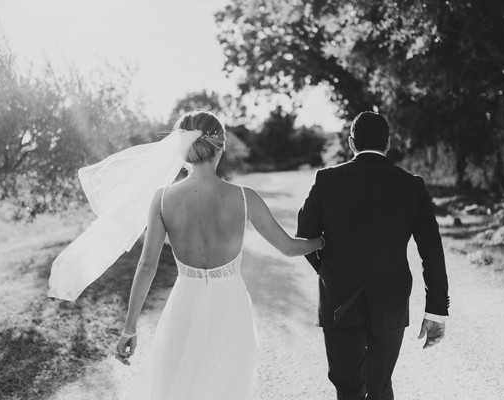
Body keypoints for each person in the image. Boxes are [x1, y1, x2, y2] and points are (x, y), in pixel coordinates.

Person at [114, 111, 324, 399]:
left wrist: (129, 328)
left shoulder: (162, 199)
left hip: (183, 309)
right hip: (231, 311)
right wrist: (321, 241)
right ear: (221, 146)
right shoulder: (244, 197)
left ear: (182, 149)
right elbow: (288, 247)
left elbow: (147, 265)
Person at [297, 111, 450, 400]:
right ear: (388, 143)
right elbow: (431, 251)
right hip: (390, 300)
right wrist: (436, 310)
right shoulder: (410, 185)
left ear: (351, 142)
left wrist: (328, 269)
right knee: (379, 385)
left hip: (339, 299)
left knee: (348, 388)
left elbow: (305, 235)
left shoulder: (327, 180)